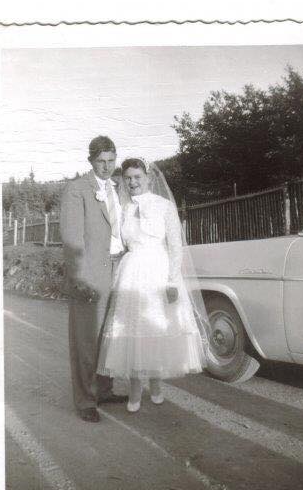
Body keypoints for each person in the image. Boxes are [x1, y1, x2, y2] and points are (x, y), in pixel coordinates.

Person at [96, 157, 210, 412]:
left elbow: (175, 246)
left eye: (137, 177)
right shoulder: (123, 208)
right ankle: (135, 389)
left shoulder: (164, 206)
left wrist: (172, 280)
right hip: (132, 271)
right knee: (133, 331)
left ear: (148, 178)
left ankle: (156, 384)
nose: (133, 182)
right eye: (128, 178)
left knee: (156, 328)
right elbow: (118, 243)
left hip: (158, 271)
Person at [60, 135, 127, 422]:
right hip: (91, 271)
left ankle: (104, 389)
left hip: (119, 269)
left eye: (111, 161)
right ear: (91, 161)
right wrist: (79, 278)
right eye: (101, 161)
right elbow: (72, 240)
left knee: (110, 336)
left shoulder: (119, 188)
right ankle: (85, 399)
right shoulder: (77, 190)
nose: (106, 167)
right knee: (86, 338)